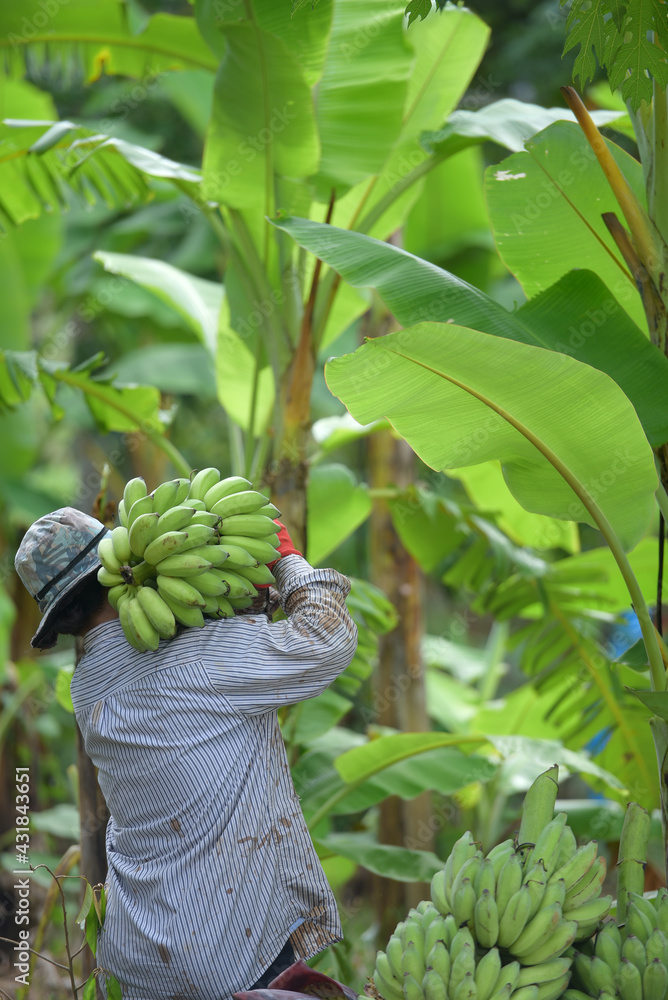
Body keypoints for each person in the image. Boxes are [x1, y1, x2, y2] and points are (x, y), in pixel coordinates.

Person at [14, 505, 358, 1000]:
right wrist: (288, 562)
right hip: (231, 953)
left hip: (137, 956)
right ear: (118, 569)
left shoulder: (86, 687)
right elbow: (326, 640)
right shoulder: (196, 655)